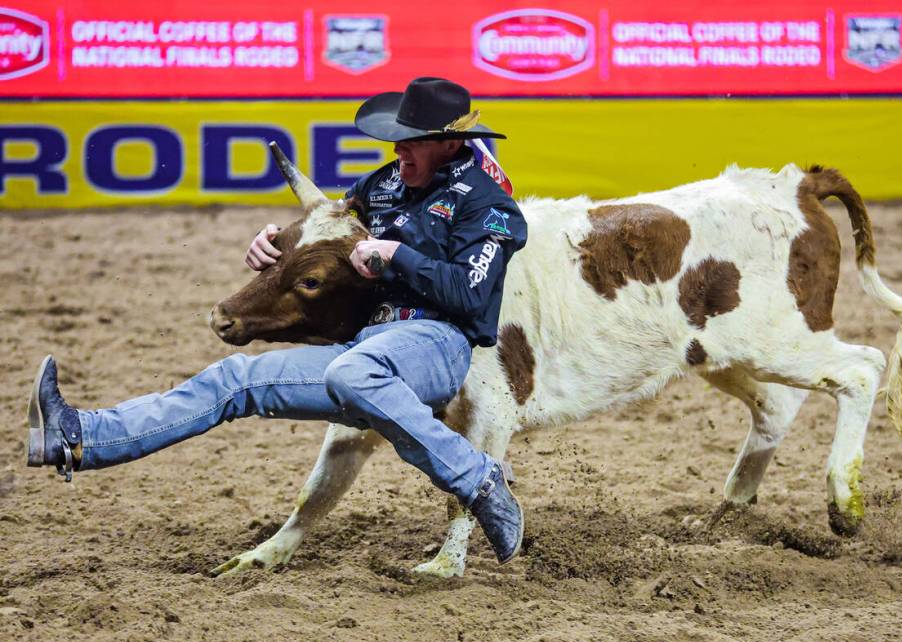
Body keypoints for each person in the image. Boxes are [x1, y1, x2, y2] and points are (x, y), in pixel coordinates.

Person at [26, 77, 527, 564]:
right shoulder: (385, 184)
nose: (398, 152)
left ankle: (478, 478)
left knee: (352, 373)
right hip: (367, 346)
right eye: (395, 142)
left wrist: (397, 255)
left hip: (437, 343)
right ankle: (81, 437)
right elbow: (328, 226)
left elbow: (471, 292)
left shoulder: (487, 204)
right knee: (233, 379)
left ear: (450, 142)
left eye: (411, 142)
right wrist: (277, 243)